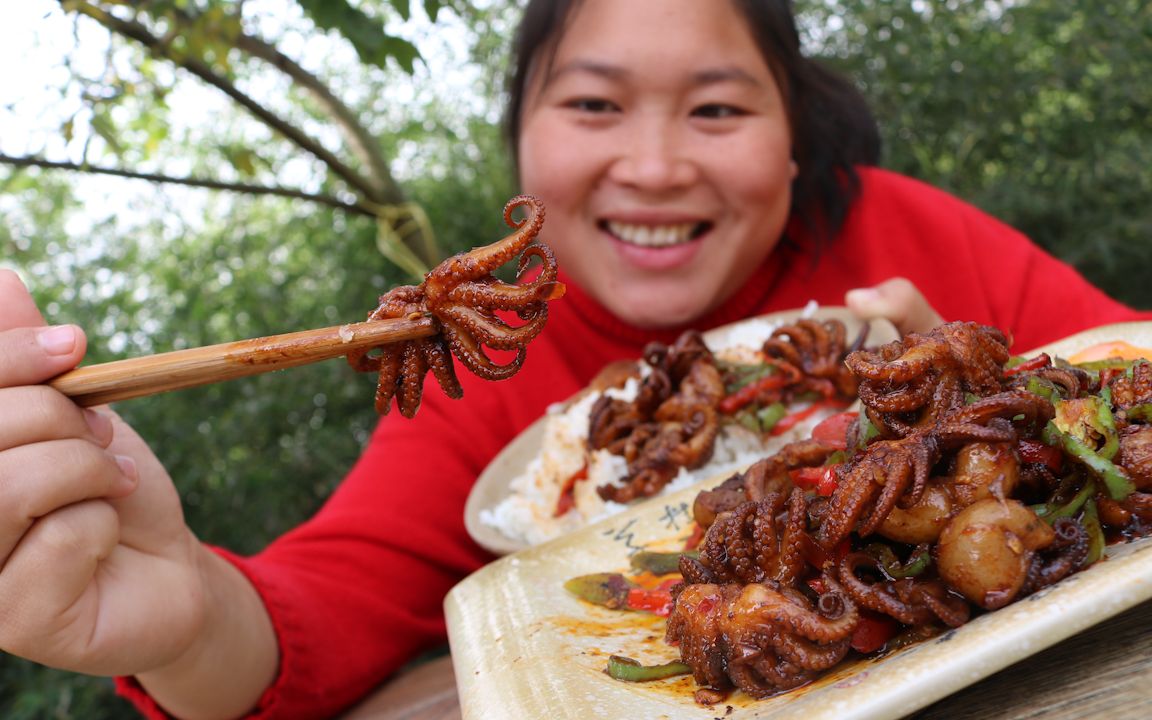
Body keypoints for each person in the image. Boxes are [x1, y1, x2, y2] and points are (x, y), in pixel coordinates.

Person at [1, 0, 1148, 718]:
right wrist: (186, 612)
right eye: (595, 103)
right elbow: (324, 610)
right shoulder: (494, 379)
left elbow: (1123, 371)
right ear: (522, 145)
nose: (652, 165)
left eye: (715, 109)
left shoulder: (905, 239)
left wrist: (980, 397)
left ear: (796, 141)